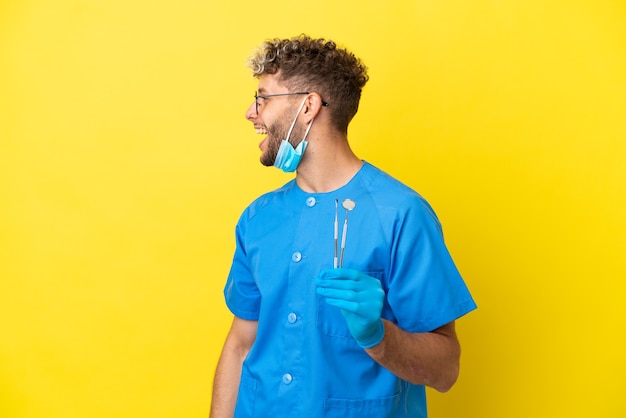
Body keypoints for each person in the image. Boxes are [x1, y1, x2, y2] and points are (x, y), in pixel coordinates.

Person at [210, 34, 477, 418]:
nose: (251, 113)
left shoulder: (401, 214)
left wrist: (377, 335)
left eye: (263, 97)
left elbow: (446, 370)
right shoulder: (258, 218)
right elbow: (240, 344)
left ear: (308, 106)